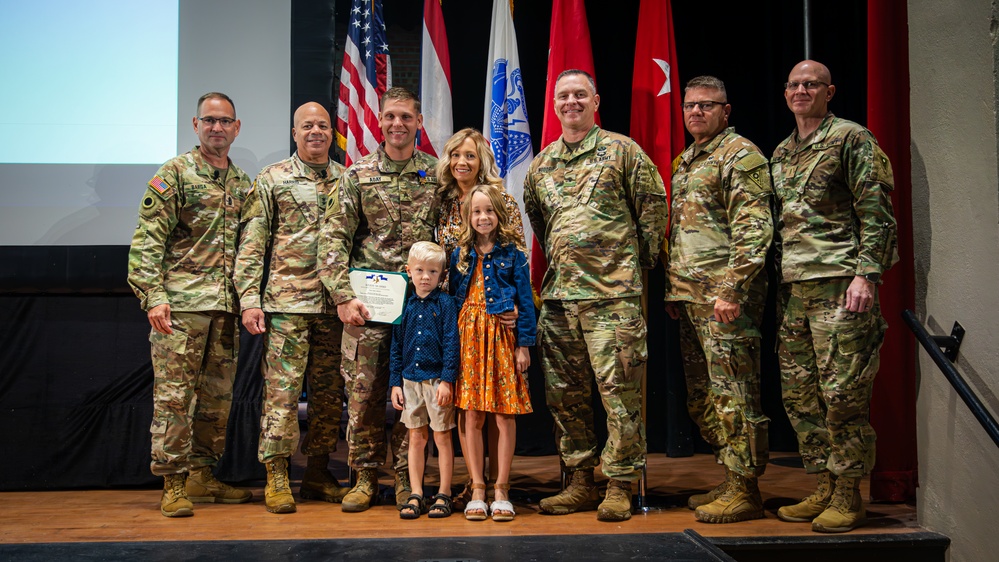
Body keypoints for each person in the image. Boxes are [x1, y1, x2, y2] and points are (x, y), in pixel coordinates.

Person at [523, 69, 669, 522]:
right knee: (565, 397)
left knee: (619, 396)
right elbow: (541, 224)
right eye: (563, 95)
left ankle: (621, 483)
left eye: (579, 94)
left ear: (595, 100)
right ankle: (581, 481)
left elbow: (653, 208)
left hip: (612, 298)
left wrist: (630, 266)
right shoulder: (542, 164)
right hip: (562, 300)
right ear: (554, 104)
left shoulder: (622, 151)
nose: (571, 102)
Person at [771, 60, 898, 533]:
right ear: (786, 94)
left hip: (842, 287)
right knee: (801, 397)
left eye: (811, 84)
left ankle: (849, 494)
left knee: (843, 393)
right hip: (797, 290)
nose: (801, 90)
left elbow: (876, 210)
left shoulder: (851, 139)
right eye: (794, 84)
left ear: (830, 92)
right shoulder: (782, 152)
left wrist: (867, 274)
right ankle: (823, 483)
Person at [127, 92, 253, 517]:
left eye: (225, 121)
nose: (217, 127)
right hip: (179, 308)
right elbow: (147, 242)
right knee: (175, 398)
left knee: (217, 400)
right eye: (209, 120)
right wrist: (154, 297)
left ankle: (201, 476)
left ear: (237, 128)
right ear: (195, 125)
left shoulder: (241, 183)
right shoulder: (175, 174)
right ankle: (173, 483)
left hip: (225, 310)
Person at [319, 87, 441, 512]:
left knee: (416, 393)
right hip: (368, 308)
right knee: (365, 394)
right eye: (390, 116)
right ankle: (365, 476)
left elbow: (451, 238)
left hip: (420, 308)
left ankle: (408, 479)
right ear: (380, 121)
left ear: (419, 122)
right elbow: (333, 239)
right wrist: (341, 297)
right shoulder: (358, 175)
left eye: (406, 117)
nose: (397, 124)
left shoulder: (437, 174)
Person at [665, 76, 773, 523]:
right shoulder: (685, 160)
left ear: (725, 111)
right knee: (704, 397)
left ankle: (746, 489)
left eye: (706, 106)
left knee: (735, 394)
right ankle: (731, 476)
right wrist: (675, 287)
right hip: (691, 298)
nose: (695, 112)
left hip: (725, 300)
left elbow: (754, 228)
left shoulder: (740, 155)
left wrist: (732, 289)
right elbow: (685, 232)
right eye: (690, 106)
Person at [234, 102, 348, 514]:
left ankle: (317, 472)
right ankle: (278, 474)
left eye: (322, 126)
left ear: (332, 133)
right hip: (286, 305)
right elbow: (252, 243)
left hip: (335, 308)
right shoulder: (273, 178)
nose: (315, 131)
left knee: (329, 394)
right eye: (307, 126)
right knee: (281, 395)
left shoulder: (347, 179)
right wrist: (249, 298)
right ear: (294, 133)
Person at [434, 128, 525, 507]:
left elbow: (515, 255)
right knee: (468, 404)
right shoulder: (441, 202)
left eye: (470, 155)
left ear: (481, 160)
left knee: (497, 404)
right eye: (456, 155)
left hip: (496, 317)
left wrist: (516, 307)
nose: (462, 162)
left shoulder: (499, 198)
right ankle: (474, 485)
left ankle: (495, 484)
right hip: (455, 313)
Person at [449, 184, 535, 522]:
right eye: (476, 212)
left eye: (489, 211)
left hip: (501, 338)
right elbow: (453, 300)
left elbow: (525, 303)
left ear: (499, 214)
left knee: (504, 413)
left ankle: (502, 488)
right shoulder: (459, 255)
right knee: (472, 414)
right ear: (467, 217)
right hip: (468, 339)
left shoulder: (512, 253)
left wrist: (524, 345)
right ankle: (477, 489)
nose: (483, 217)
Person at [389, 241, 460, 520]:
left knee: (442, 437)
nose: (425, 277)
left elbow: (452, 344)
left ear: (442, 275)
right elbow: (396, 346)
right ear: (409, 271)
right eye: (419, 270)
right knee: (415, 437)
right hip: (410, 381)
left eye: (432, 271)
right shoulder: (404, 305)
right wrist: (396, 382)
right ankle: (416, 492)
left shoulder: (445, 304)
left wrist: (447, 379)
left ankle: (444, 492)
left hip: (435, 382)